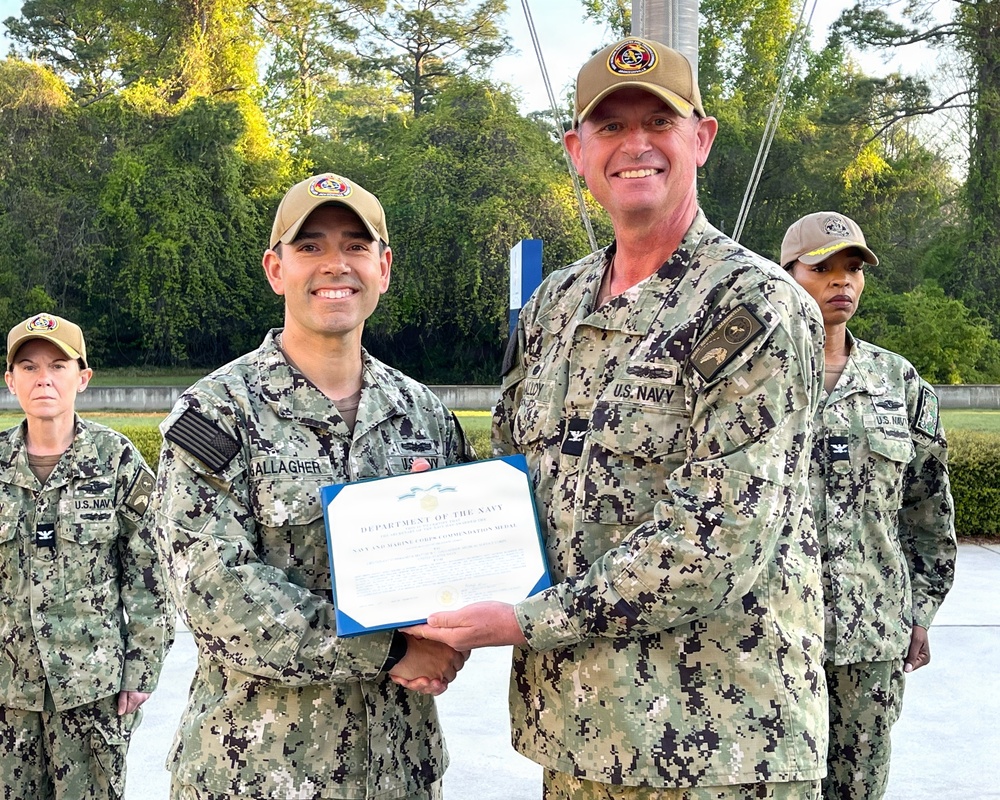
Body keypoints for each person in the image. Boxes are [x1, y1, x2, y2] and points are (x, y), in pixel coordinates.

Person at [405, 37, 829, 799]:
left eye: (659, 122)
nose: (636, 145)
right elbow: (519, 484)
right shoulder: (554, 305)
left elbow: (719, 540)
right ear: (578, 150)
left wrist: (523, 621)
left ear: (701, 138)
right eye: (611, 126)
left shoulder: (755, 306)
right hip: (576, 734)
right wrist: (428, 528)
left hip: (718, 746)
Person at [149, 172, 475, 800]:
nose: (335, 265)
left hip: (399, 770)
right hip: (256, 772)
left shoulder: (424, 415)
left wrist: (467, 628)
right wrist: (388, 652)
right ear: (276, 270)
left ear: (383, 268)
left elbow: (469, 555)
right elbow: (213, 592)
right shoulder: (216, 414)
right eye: (310, 246)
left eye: (355, 246)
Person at [780, 212, 957, 800]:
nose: (842, 282)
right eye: (822, 268)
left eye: (853, 268)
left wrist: (921, 611)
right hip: (774, 636)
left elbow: (928, 510)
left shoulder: (897, 381)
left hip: (871, 637)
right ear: (786, 276)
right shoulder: (755, 378)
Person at [0, 312, 175, 800]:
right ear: (11, 381)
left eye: (58, 366)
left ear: (83, 377)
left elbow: (150, 571)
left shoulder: (116, 460)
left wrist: (142, 669)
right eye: (29, 367)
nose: (44, 379)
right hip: (7, 691)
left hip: (93, 689)